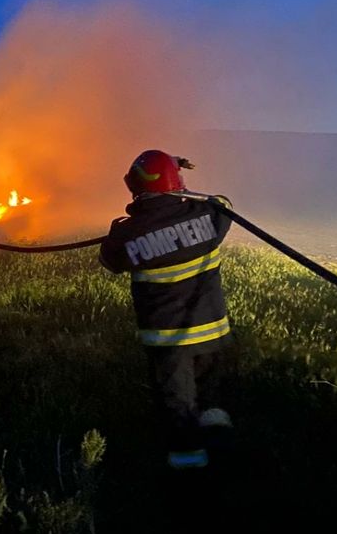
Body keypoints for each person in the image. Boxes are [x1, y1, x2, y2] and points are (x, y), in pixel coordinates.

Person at [98, 149, 235, 471]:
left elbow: (109, 261)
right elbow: (224, 204)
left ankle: (189, 475)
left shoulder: (127, 233)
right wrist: (182, 183)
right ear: (177, 183)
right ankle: (224, 456)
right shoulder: (205, 218)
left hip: (167, 342)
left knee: (178, 405)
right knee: (211, 398)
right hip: (213, 332)